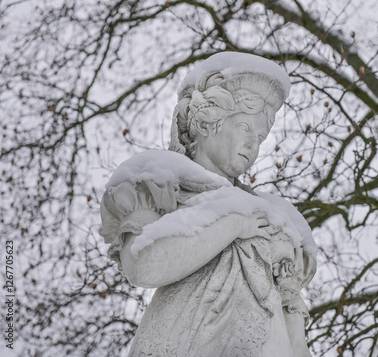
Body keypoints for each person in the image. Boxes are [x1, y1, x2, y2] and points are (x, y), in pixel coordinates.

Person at [99, 52, 317, 357]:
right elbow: (143, 265)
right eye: (244, 128)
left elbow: (292, 320)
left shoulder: (273, 217)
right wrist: (234, 224)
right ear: (205, 122)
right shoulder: (161, 183)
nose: (253, 145)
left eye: (261, 136)